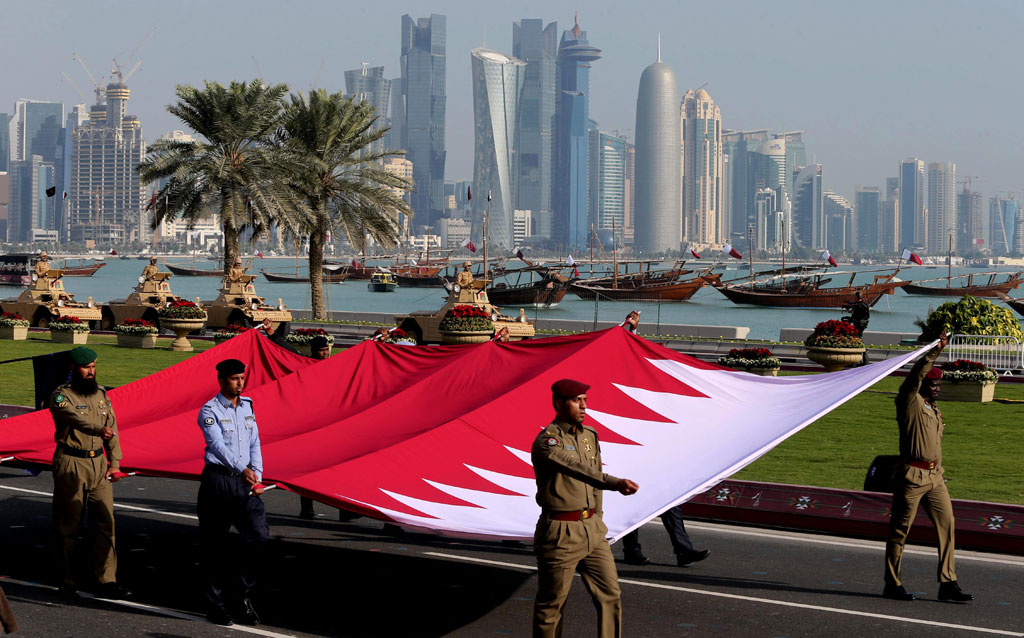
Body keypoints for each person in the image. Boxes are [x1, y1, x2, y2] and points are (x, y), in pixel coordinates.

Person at [532, 378, 639, 638]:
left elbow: (594, 487)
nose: (583, 406)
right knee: (552, 604)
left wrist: (598, 522)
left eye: (585, 400)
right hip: (561, 532)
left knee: (611, 595)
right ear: (559, 403)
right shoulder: (548, 442)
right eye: (576, 400)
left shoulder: (590, 436)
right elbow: (581, 471)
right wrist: (616, 483)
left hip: (591, 528)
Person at [882, 332, 973, 603]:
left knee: (948, 525)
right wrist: (934, 352)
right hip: (911, 476)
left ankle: (948, 583)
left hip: (935, 477)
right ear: (923, 385)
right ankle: (892, 583)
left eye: (939, 384)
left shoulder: (933, 408)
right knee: (900, 531)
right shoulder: (909, 402)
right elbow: (915, 377)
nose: (937, 388)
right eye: (932, 383)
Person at [619, 311, 710, 568]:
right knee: (631, 505)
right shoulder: (630, 390)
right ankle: (632, 550)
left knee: (671, 503)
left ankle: (683, 550)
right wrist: (630, 331)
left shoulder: (659, 398)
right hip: (631, 453)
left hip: (654, 456)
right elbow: (628, 360)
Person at [49, 346, 130, 600]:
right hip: (71, 462)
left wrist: (115, 462)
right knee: (68, 525)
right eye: (86, 368)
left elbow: (112, 427)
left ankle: (106, 580)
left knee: (105, 523)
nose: (91, 372)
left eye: (94, 367)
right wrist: (98, 429)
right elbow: (74, 419)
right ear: (74, 368)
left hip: (99, 465)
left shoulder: (101, 394)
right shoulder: (62, 396)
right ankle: (67, 580)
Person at [197, 359, 269, 626]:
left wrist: (257, 474)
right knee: (214, 546)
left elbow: (255, 441)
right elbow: (216, 446)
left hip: (245, 483)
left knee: (258, 537)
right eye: (234, 379)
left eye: (242, 378)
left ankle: (241, 595)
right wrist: (242, 469)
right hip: (219, 482)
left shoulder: (248, 406)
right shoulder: (209, 410)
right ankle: (215, 605)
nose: (240, 383)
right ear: (222, 381)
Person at [298, 336, 332, 519]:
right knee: (308, 469)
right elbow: (286, 350)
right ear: (313, 351)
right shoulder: (306, 365)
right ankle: (306, 508)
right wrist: (272, 333)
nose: (325, 353)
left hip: (328, 425)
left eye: (327, 349)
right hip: (309, 427)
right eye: (321, 350)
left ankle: (346, 511)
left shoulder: (334, 364)